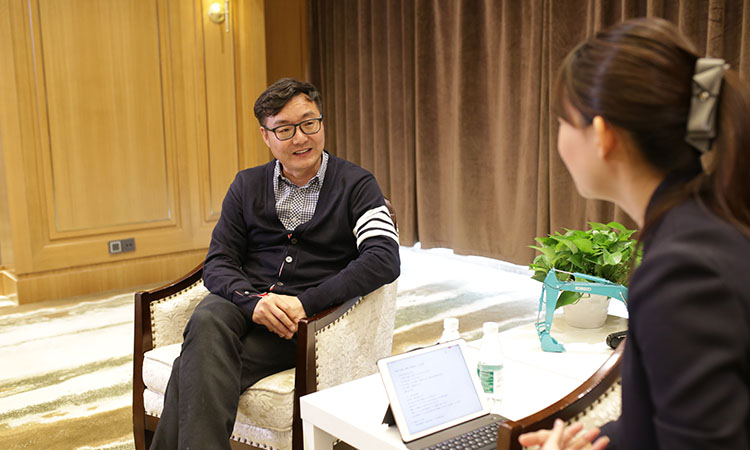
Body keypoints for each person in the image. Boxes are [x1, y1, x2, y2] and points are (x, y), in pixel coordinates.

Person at [519, 17, 750, 450]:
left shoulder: (684, 270)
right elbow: (665, 423)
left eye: (562, 121)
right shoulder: (701, 225)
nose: (559, 138)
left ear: (601, 135)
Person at [150, 78, 401, 449]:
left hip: (306, 322)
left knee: (193, 364)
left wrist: (305, 303)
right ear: (266, 136)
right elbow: (218, 261)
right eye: (284, 129)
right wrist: (254, 302)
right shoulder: (246, 185)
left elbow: (384, 257)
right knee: (207, 317)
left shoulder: (357, 185)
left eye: (309, 123)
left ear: (322, 123)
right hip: (245, 306)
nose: (300, 138)